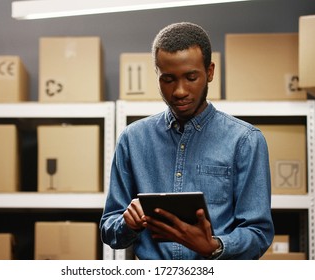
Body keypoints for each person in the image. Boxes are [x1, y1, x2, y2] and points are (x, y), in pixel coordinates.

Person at [100, 22, 274, 260]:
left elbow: (258, 233)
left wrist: (214, 246)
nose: (179, 91)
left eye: (191, 77)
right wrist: (127, 224)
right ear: (158, 75)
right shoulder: (132, 140)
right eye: (168, 79)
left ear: (210, 72)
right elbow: (109, 230)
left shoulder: (245, 141)